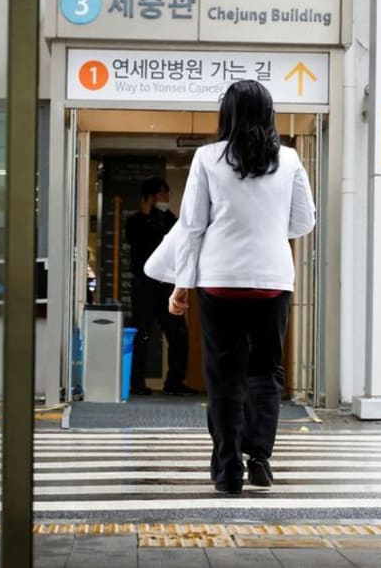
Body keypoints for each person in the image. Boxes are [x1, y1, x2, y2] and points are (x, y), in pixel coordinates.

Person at [168, 80, 316, 494]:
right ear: (269, 113)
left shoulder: (206, 157)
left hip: (219, 282)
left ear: (227, 113)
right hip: (272, 282)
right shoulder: (288, 160)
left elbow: (192, 225)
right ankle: (261, 460)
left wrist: (182, 284)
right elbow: (304, 222)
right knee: (265, 373)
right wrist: (268, 229)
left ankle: (229, 469)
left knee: (223, 376)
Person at [125, 177, 197, 396]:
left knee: (178, 335)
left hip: (166, 286)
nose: (165, 199)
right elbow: (139, 245)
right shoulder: (135, 221)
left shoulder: (169, 220)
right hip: (144, 286)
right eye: (162, 195)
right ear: (151, 196)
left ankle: (175, 381)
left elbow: (178, 240)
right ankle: (136, 383)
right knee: (142, 334)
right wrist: (148, 216)